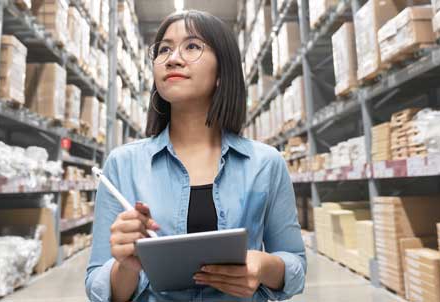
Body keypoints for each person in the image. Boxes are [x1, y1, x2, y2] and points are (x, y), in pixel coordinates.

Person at [85, 10, 306, 302]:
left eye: (192, 46)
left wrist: (265, 267)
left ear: (222, 72)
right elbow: (98, 287)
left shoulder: (265, 163)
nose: (172, 58)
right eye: (164, 49)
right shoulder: (122, 165)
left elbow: (296, 266)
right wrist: (126, 265)